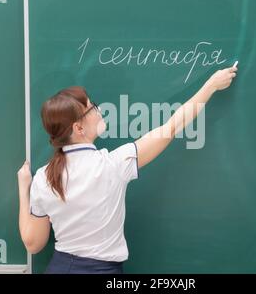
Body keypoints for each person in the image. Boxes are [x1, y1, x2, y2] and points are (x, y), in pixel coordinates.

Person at [17, 64, 238, 274]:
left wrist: (23, 187)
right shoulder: (112, 164)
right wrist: (211, 85)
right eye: (91, 107)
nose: (99, 109)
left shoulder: (43, 178)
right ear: (78, 127)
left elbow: (33, 243)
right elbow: (171, 128)